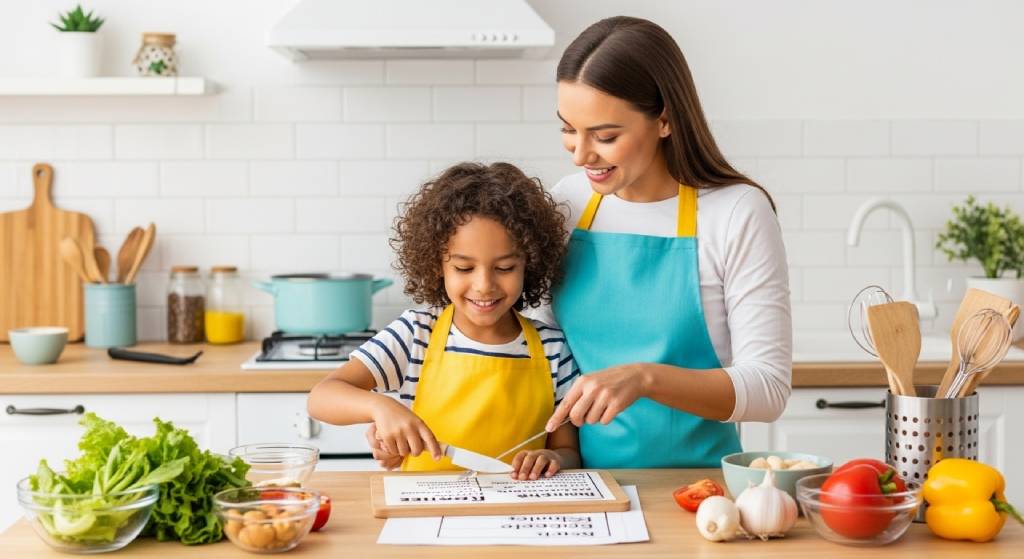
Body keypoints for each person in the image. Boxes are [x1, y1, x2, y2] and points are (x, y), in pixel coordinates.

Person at [537, 16, 792, 468]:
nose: (581, 154)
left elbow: (768, 389)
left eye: (605, 136)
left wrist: (645, 378)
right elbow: (537, 353)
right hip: (587, 489)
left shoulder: (736, 213)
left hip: (701, 495)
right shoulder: (565, 205)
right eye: (568, 129)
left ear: (665, 121)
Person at [308, 162, 581, 480]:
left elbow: (569, 451)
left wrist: (551, 458)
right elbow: (322, 396)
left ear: (529, 265)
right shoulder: (415, 334)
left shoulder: (553, 348)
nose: (484, 285)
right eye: (464, 269)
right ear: (437, 266)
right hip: (425, 514)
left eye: (505, 268)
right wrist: (381, 408)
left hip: (517, 514)